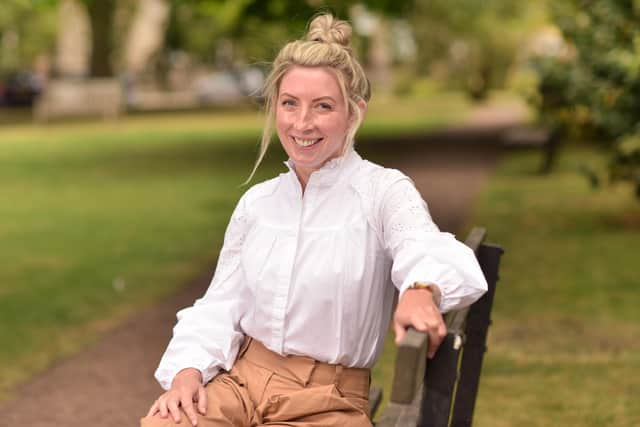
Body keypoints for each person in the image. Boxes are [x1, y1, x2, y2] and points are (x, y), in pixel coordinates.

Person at [141, 13, 487, 427]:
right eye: (290, 104)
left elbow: (423, 244)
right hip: (240, 385)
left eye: (322, 106)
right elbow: (221, 303)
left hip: (328, 401)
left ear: (354, 111)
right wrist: (187, 371)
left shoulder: (382, 192)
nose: (301, 123)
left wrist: (422, 288)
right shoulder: (258, 203)